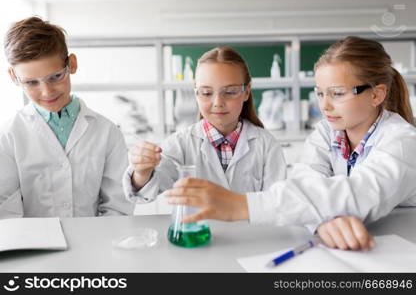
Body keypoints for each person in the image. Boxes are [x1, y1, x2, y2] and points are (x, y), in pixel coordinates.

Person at [165, 36, 416, 250]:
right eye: (320, 93)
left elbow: (361, 193)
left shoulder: (403, 141)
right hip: (352, 249)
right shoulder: (327, 132)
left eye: (337, 93)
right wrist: (321, 222)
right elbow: (304, 183)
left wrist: (241, 205)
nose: (324, 105)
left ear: (377, 94)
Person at [0, 16, 134, 218]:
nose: (46, 92)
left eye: (55, 77)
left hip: (95, 244)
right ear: (13, 77)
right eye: (31, 83)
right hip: (32, 246)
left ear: (71, 64)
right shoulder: (8, 136)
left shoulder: (107, 132)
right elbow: (6, 212)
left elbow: (117, 207)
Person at [123, 47, 286, 209]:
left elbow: (278, 203)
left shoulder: (266, 145)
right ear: (196, 93)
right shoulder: (182, 143)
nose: (218, 102)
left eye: (229, 92)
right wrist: (142, 171)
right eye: (206, 93)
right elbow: (148, 187)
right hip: (198, 233)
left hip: (252, 234)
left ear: (246, 92)